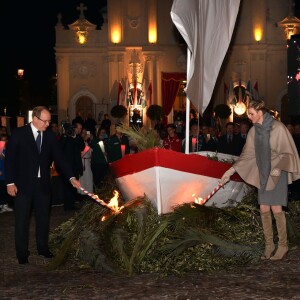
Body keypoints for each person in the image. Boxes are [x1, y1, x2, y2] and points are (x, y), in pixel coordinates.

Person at [220, 100, 300, 261]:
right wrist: (230, 171)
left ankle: (283, 245)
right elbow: (246, 155)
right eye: (248, 114)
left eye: (251, 114)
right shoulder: (253, 131)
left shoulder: (278, 128)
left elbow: (287, 153)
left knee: (276, 208)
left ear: (260, 113)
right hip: (263, 173)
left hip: (278, 171)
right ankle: (269, 245)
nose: (249, 117)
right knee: (264, 208)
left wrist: (276, 172)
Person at [5, 106, 81, 264]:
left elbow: (60, 158)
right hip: (22, 186)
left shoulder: (50, 137)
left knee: (43, 219)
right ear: (35, 119)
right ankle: (22, 253)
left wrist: (71, 177)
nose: (47, 124)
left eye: (49, 121)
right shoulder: (19, 134)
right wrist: (10, 182)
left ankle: (43, 248)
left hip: (43, 185)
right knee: (22, 221)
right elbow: (10, 160)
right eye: (45, 121)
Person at [59, 122, 85, 211]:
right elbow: (60, 147)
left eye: (81, 129)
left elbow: (82, 147)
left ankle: (72, 204)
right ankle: (67, 205)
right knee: (66, 186)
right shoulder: (65, 137)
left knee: (74, 187)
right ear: (74, 128)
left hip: (75, 166)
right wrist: (65, 135)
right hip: (66, 167)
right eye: (78, 128)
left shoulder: (78, 138)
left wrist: (74, 138)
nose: (79, 130)